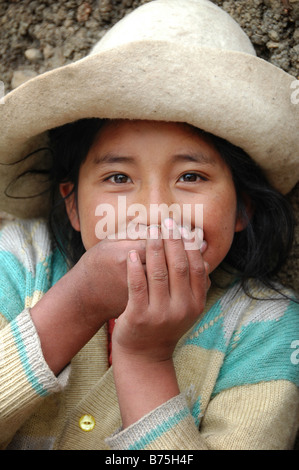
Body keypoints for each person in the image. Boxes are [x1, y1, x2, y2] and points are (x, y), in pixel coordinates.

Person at [0, 0, 298, 451]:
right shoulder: (19, 262)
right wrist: (78, 304)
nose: (154, 211)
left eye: (191, 177)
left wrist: (145, 359)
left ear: (243, 209)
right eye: (118, 178)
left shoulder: (266, 330)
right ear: (74, 206)